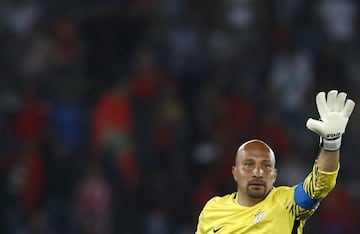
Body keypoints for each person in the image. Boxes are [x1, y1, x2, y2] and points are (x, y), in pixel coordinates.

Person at [195, 90, 355, 233]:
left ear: (274, 175)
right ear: (235, 172)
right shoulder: (212, 210)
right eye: (249, 165)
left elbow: (319, 185)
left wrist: (331, 143)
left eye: (266, 166)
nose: (257, 172)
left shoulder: (286, 202)